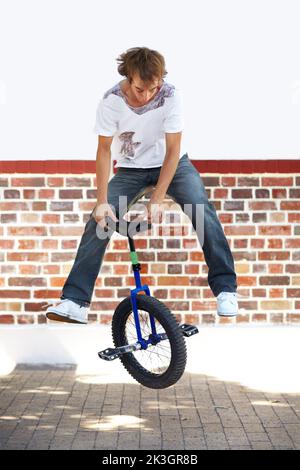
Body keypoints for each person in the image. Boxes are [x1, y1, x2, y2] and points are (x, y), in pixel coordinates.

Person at [46, 46, 238, 324]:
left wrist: (156, 199)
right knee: (99, 221)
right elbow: (103, 151)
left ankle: (225, 289)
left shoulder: (172, 96)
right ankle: (75, 301)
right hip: (130, 169)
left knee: (200, 209)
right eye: (140, 90)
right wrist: (102, 202)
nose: (147, 96)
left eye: (153, 89)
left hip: (173, 165)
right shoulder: (111, 100)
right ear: (128, 77)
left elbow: (173, 151)